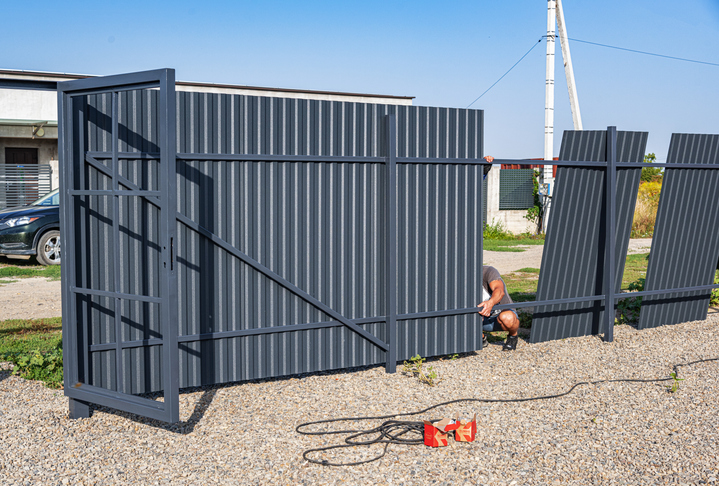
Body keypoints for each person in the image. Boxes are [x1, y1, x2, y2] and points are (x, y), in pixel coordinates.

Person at [478, 265, 520, 351]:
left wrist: (490, 303)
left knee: (507, 317)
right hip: (480, 320)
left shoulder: (488, 271)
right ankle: (481, 338)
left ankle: (513, 336)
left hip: (498, 316)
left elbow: (499, 290)